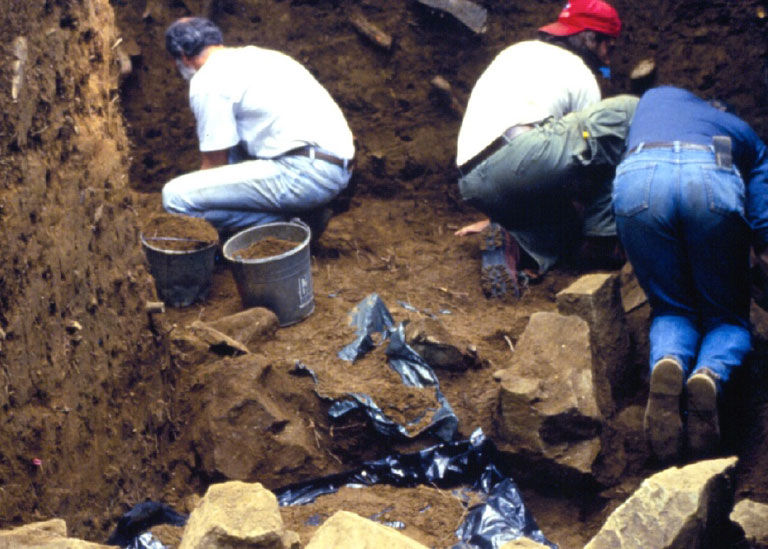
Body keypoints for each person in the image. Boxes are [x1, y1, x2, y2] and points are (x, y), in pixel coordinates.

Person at [613, 86, 768, 462]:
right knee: (727, 317)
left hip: (639, 179)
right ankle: (709, 374)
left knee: (671, 310)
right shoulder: (738, 133)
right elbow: (760, 192)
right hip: (709, 178)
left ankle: (669, 363)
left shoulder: (657, 97)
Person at [454, 0, 622, 297]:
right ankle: (602, 244)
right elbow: (593, 152)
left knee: (562, 223)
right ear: (590, 38)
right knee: (609, 141)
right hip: (523, 158)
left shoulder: (516, 51)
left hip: (473, 179)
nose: (608, 61)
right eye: (608, 47)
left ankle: (515, 245)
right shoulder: (580, 71)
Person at [161, 17, 355, 240]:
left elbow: (214, 164)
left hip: (302, 173)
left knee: (176, 198)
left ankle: (293, 224)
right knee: (234, 149)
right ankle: (300, 215)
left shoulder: (207, 80)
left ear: (183, 58)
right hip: (335, 168)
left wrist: (197, 198)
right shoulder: (262, 56)